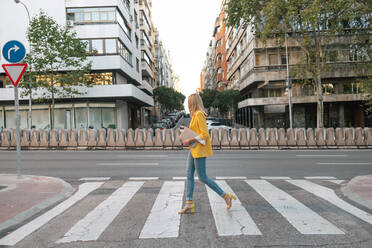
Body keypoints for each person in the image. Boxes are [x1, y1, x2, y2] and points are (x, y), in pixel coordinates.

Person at [179, 93, 236, 214]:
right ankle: (189, 203)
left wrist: (189, 140)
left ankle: (225, 196)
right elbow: (197, 131)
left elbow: (204, 135)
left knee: (202, 177)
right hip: (193, 149)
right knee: (189, 174)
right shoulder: (194, 115)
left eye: (189, 102)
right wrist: (186, 130)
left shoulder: (199, 114)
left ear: (193, 103)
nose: (187, 104)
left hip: (199, 150)